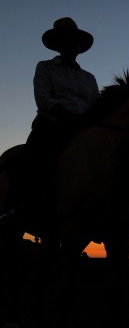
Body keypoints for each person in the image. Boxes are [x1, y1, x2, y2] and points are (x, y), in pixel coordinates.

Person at [20, 17, 100, 205]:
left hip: (83, 128)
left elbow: (97, 104)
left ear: (79, 46)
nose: (71, 44)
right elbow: (43, 99)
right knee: (30, 162)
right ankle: (19, 207)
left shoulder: (89, 77)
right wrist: (71, 117)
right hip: (51, 126)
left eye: (74, 40)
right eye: (66, 40)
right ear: (58, 44)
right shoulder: (45, 67)